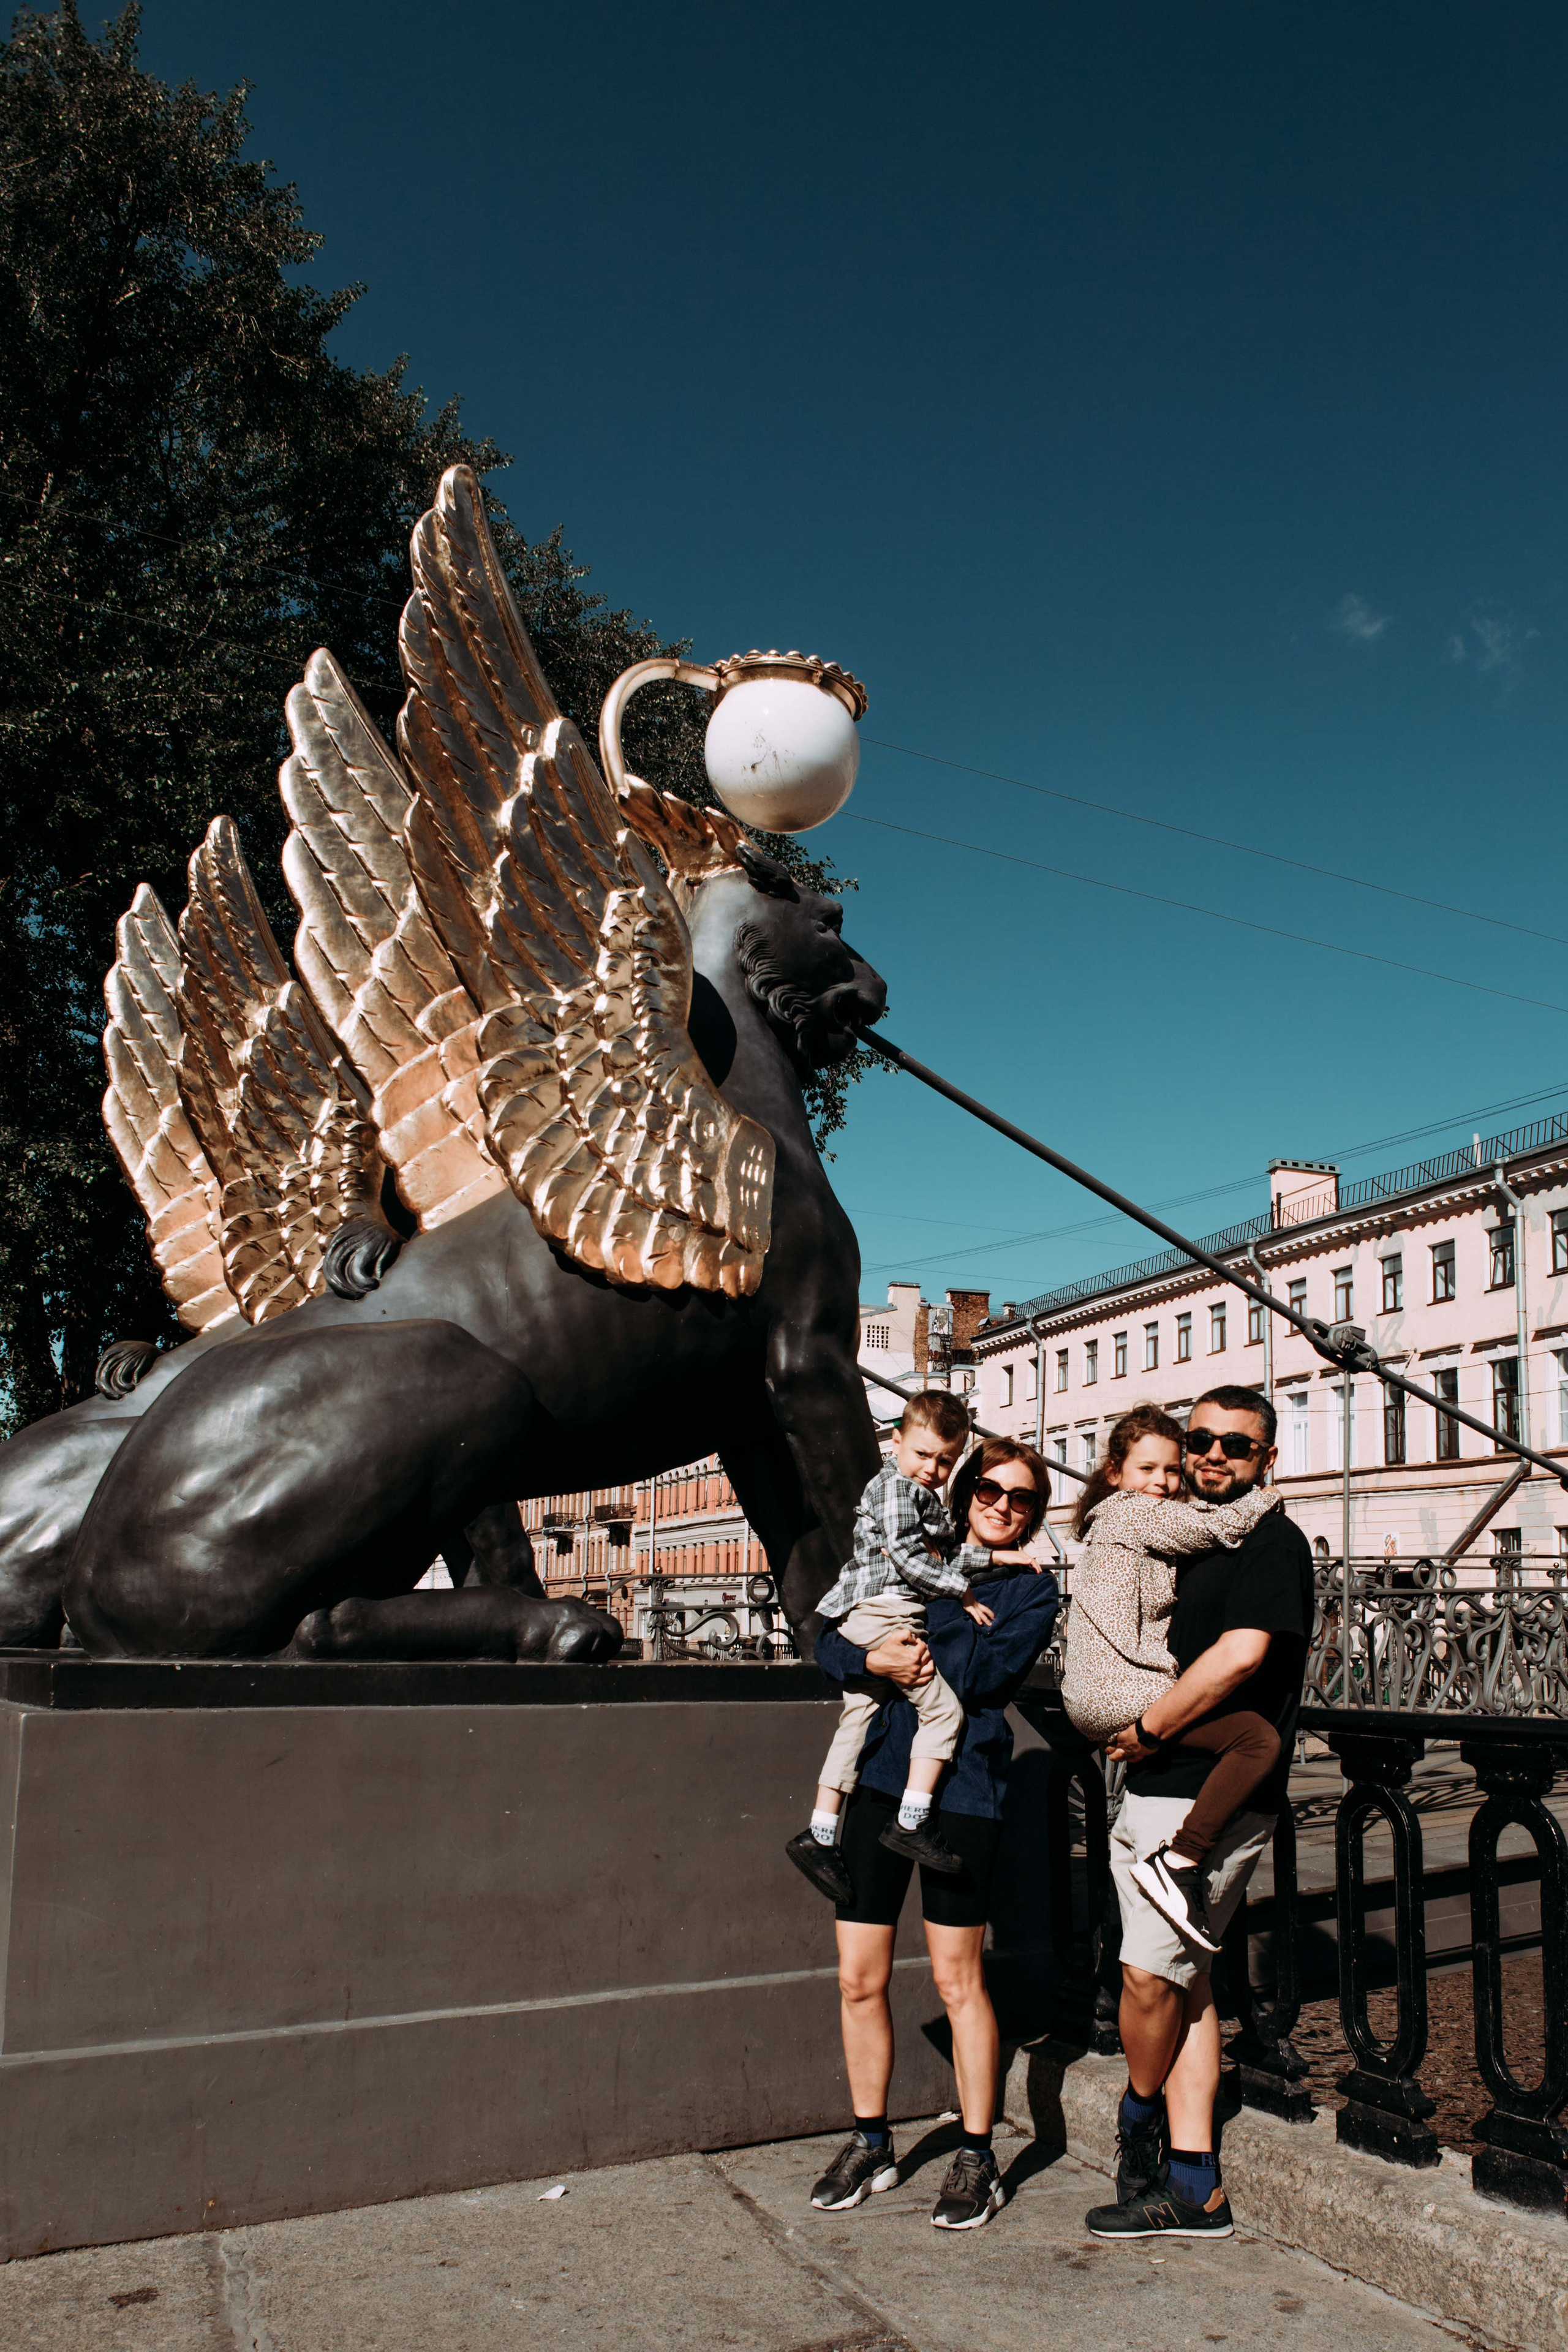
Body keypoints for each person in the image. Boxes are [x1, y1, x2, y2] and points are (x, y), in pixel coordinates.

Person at [805, 1438, 1058, 2232]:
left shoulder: (1030, 1590)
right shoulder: (915, 1553)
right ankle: (871, 2141)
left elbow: (980, 1676)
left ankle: (977, 2153)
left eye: (1021, 1498)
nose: (1002, 1505)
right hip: (880, 1782)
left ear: (1035, 1513)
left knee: (958, 1981)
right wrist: (871, 1656)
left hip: (966, 1792)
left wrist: (908, 1623)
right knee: (858, 1978)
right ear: (964, 1491)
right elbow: (826, 1639)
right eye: (988, 1488)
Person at [1082, 1385, 1312, 2245]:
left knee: (1148, 1977)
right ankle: (1194, 2185)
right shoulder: (1188, 1530)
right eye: (1201, 1439)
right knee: (1186, 1983)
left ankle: (1137, 2116)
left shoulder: (1273, 1541)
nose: (1213, 1454)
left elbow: (1240, 1656)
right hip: (1157, 1783)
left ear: (1267, 1460)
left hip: (1205, 1794)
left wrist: (1147, 1728)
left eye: (1236, 1445)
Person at [1060, 1404, 1283, 1954]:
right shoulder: (1131, 1512)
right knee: (1257, 1741)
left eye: (1169, 1470)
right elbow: (1219, 1527)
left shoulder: (1112, 1521)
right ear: (1115, 1473)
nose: (1161, 1482)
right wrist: (1267, 1497)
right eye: (1146, 1469)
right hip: (1122, 1691)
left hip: (1092, 1694)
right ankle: (1181, 1860)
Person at [786, 1390, 998, 1899]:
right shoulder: (898, 1489)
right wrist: (963, 1591)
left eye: (946, 1460)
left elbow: (938, 1555)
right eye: (923, 1454)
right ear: (896, 1441)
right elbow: (908, 1557)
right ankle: (911, 1821)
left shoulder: (908, 1491)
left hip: (865, 1614)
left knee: (857, 1721)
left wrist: (994, 1560)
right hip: (888, 1613)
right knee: (943, 1713)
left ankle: (820, 1832)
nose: (932, 1469)